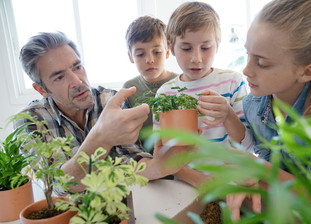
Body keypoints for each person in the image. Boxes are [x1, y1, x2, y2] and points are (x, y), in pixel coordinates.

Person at [14, 31, 198, 193]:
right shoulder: (30, 120)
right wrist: (102, 138)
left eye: (77, 67)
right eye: (60, 76)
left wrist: (159, 167)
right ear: (41, 89)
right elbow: (61, 184)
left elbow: (130, 160)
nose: (77, 81)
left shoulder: (109, 99)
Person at [227, 0, 311, 220]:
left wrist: (258, 169)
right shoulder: (255, 104)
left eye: (262, 62)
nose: (246, 69)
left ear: (307, 72)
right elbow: (270, 159)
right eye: (247, 54)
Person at [155, 1, 252, 151]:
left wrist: (228, 115)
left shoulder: (233, 82)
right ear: (171, 47)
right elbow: (162, 151)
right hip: (186, 175)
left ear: (217, 44)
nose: (196, 58)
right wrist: (201, 176)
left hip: (229, 173)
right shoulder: (164, 94)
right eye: (186, 48)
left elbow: (249, 146)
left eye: (205, 48)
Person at [123, 16, 177, 133]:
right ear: (131, 57)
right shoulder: (129, 89)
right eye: (140, 54)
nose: (150, 60)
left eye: (157, 52)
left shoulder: (181, 82)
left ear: (167, 51)